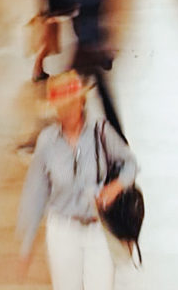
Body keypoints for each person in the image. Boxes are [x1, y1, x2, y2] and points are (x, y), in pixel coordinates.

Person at [17, 70, 137, 290]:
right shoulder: (47, 142)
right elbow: (36, 191)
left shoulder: (101, 132)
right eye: (62, 106)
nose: (67, 111)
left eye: (71, 104)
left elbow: (130, 163)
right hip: (63, 230)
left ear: (81, 102)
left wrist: (116, 186)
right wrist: (27, 244)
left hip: (98, 228)